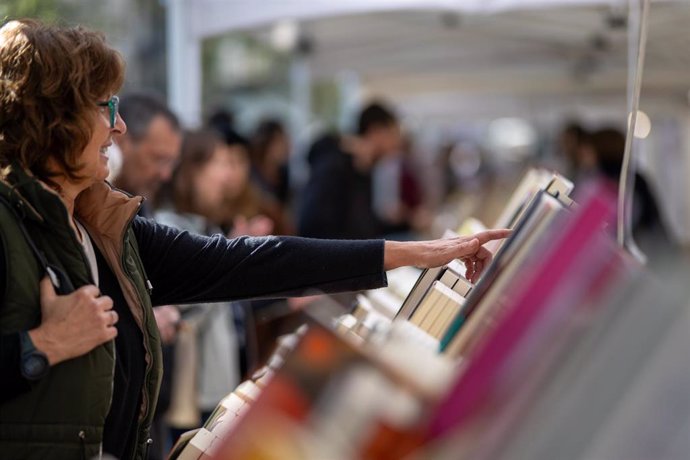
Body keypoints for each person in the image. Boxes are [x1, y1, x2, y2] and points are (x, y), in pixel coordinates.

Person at [0, 19, 509, 460]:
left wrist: (418, 254)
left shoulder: (101, 226)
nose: (119, 127)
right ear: (57, 119)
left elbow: (252, 262)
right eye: (104, 108)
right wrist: (39, 347)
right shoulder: (10, 225)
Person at [297, 101, 404, 239]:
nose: (397, 143)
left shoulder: (362, 170)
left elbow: (365, 227)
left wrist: (405, 222)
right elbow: (312, 226)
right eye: (393, 134)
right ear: (376, 131)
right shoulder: (333, 165)